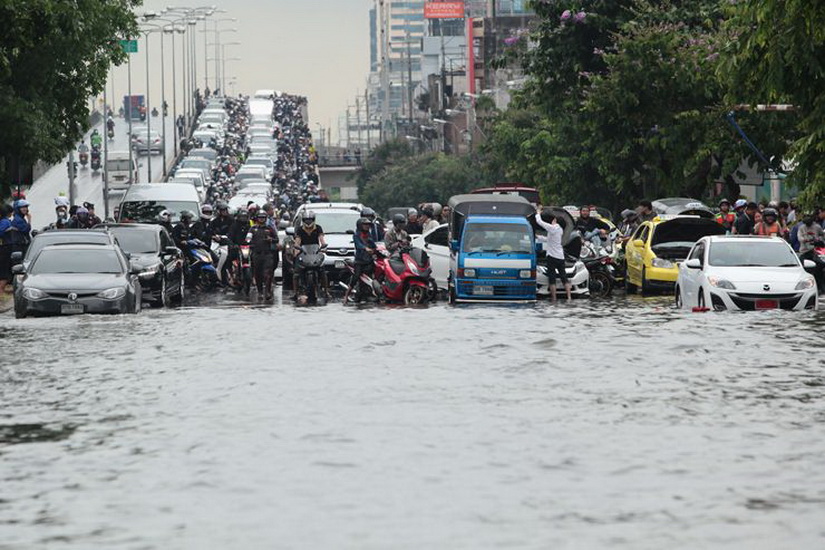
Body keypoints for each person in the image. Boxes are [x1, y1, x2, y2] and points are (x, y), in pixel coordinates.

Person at [535, 205, 571, 302]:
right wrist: (538, 237)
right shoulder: (560, 230)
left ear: (556, 221)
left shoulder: (553, 227)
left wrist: (538, 212)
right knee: (564, 277)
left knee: (552, 279)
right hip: (560, 256)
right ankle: (569, 297)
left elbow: (540, 222)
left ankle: (554, 298)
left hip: (552, 257)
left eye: (554, 219)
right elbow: (549, 239)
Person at [292, 210, 327, 294]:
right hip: (304, 253)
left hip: (315, 253)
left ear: (313, 220)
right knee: (296, 274)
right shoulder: (300, 229)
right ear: (303, 220)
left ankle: (326, 291)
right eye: (306, 220)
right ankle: (295, 292)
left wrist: (323, 245)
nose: (308, 222)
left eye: (310, 220)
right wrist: (296, 248)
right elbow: (298, 241)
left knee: (323, 271)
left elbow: (321, 239)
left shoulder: (318, 228)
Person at [246, 210, 279, 300]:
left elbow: (277, 239)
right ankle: (260, 292)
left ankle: (267, 292)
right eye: (260, 218)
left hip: (267, 254)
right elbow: (247, 239)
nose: (261, 219)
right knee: (258, 274)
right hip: (256, 254)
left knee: (267, 274)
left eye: (263, 218)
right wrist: (249, 242)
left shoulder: (269, 228)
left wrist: (270, 239)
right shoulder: (252, 229)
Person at [345, 217, 377, 304]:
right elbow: (358, 244)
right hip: (360, 261)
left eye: (368, 225)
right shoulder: (356, 235)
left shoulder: (369, 235)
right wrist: (365, 248)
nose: (367, 226)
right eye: (365, 225)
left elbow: (374, 244)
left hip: (369, 260)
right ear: (360, 226)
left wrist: (376, 249)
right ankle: (346, 295)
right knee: (356, 277)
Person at [797, 214, 825, 292]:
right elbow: (799, 238)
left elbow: (822, 235)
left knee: (820, 265)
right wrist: (805, 240)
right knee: (802, 267)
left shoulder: (817, 227)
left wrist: (818, 240)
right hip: (804, 251)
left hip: (815, 251)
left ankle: (820, 286)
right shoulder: (802, 228)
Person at [0, 203, 13, 295]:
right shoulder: (4, 222)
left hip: (5, 248)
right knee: (4, 270)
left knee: (4, 269)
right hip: (4, 248)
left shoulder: (4, 222)